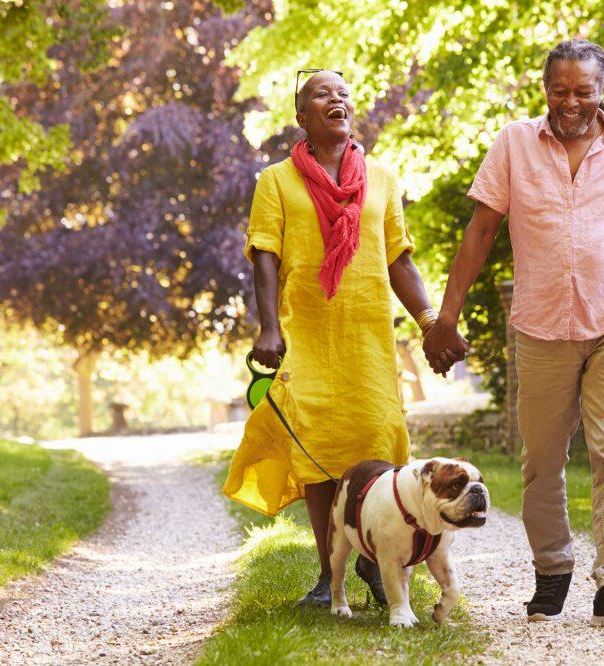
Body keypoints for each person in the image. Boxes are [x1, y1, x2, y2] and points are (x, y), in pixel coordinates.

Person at [424, 39, 604, 627]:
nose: (570, 102)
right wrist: (447, 316)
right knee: (541, 461)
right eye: (559, 90)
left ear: (602, 91)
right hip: (542, 325)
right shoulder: (514, 143)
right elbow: (481, 230)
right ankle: (552, 571)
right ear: (545, 89)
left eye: (583, 91)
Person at [222, 69, 460, 607]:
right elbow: (265, 254)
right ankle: (329, 576)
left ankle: (379, 564)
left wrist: (429, 321)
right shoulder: (276, 181)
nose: (337, 98)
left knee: (377, 445)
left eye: (343, 92)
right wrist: (268, 327)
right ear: (301, 116)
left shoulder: (382, 177)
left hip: (368, 336)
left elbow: (398, 257)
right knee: (319, 453)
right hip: (305, 333)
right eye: (320, 93)